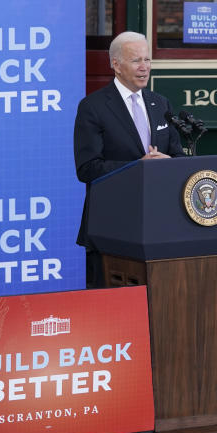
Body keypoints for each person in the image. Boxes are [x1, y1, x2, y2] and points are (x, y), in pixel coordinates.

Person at [74, 31, 182, 286]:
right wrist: (138, 168)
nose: (144, 68)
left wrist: (168, 161)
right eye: (136, 61)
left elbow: (177, 154)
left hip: (159, 225)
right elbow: (87, 169)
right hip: (112, 226)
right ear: (116, 64)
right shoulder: (93, 107)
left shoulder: (161, 103)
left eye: (147, 60)